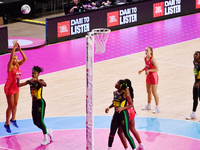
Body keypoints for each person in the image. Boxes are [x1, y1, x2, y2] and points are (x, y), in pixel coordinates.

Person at [17, 66, 53, 145]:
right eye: (32, 73)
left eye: (35, 73)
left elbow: (45, 84)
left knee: (40, 121)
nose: (33, 74)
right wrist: (17, 79)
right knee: (35, 122)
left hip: (40, 103)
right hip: (34, 103)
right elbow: (19, 85)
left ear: (38, 74)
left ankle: (46, 138)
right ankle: (48, 131)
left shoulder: (40, 81)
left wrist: (37, 80)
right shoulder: (30, 81)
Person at [4, 40, 27, 133]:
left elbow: (25, 59)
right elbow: (10, 58)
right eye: (14, 59)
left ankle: (13, 119)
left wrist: (20, 49)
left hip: (16, 87)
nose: (16, 60)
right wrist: (13, 48)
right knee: (10, 106)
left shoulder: (17, 65)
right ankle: (6, 124)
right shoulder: (10, 66)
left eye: (17, 59)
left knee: (15, 104)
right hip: (9, 87)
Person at [105, 79, 136, 150]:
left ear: (121, 86)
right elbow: (115, 103)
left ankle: (134, 148)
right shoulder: (115, 93)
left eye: (117, 83)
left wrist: (122, 108)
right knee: (112, 133)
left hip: (123, 115)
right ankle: (109, 148)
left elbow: (131, 105)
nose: (116, 84)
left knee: (126, 134)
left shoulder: (125, 94)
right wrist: (109, 107)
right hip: (116, 115)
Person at [117, 79, 145, 150]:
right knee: (132, 129)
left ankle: (127, 148)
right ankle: (141, 145)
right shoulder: (129, 90)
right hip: (132, 111)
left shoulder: (124, 93)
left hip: (126, 113)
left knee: (120, 132)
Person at [138, 47, 160, 114]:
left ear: (150, 51)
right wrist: (142, 70)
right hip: (148, 76)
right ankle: (148, 105)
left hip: (153, 76)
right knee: (148, 91)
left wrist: (149, 70)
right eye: (145, 50)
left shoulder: (152, 59)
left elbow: (157, 69)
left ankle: (157, 107)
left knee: (154, 92)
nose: (146, 51)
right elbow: (147, 66)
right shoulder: (145, 58)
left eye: (147, 50)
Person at [186, 51, 200, 120]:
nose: (195, 55)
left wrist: (199, 83)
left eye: (197, 54)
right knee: (195, 98)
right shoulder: (195, 62)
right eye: (194, 54)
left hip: (199, 83)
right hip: (196, 82)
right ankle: (193, 113)